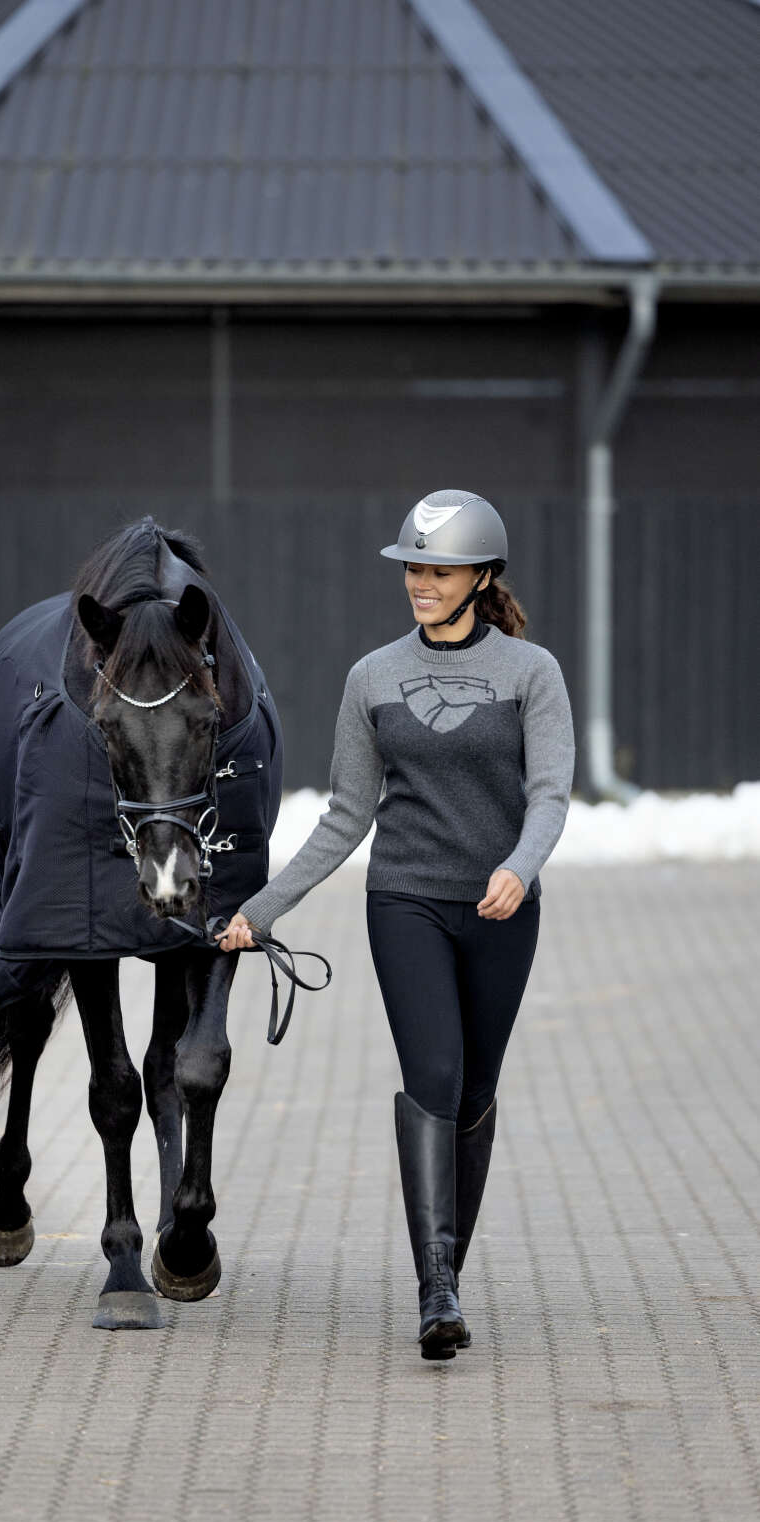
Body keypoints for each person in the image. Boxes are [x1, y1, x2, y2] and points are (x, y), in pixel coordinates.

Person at [218, 490, 575, 1360]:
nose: (419, 581)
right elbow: (346, 813)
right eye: (412, 566)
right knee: (437, 1076)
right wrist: (260, 912)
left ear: (479, 577)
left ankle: (447, 1265)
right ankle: (437, 1289)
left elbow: (549, 795)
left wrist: (517, 871)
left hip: (499, 907)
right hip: (405, 900)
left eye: (437, 569)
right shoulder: (370, 677)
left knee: (477, 1093)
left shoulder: (532, 674)